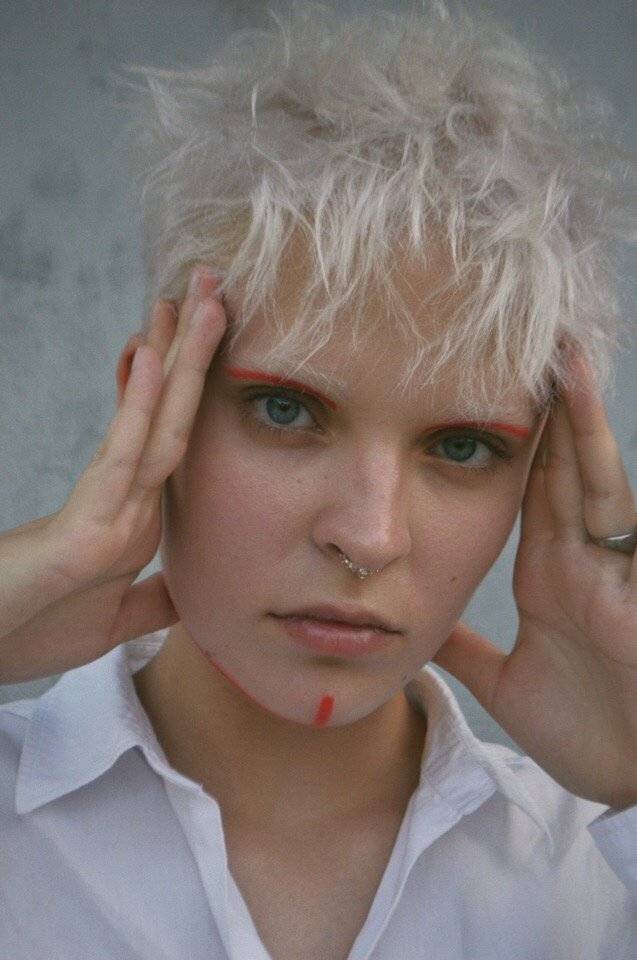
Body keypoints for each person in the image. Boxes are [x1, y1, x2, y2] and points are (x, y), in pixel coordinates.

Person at [1, 2, 635, 958]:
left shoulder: (596, 874)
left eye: (463, 446)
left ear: (536, 474)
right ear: (155, 407)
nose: (369, 537)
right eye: (287, 410)